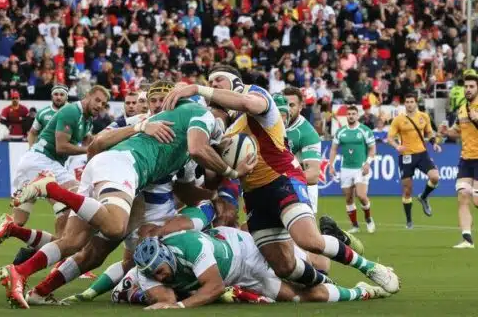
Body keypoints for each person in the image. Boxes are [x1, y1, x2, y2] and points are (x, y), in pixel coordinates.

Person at [161, 64, 399, 295]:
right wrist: (221, 165)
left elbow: (246, 103)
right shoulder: (221, 127)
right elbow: (213, 181)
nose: (212, 86)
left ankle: (372, 268)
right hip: (254, 195)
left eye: (217, 81)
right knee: (284, 266)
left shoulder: (255, 93)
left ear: (234, 83)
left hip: (282, 180)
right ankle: (328, 283)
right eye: (209, 83)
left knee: (309, 241)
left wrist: (197, 88)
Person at [1, 89, 240, 309]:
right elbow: (98, 143)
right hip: (120, 171)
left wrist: (215, 195)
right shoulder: (177, 118)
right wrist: (232, 173)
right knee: (115, 227)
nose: (157, 104)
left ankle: (26, 280)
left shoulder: (184, 144)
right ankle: (52, 188)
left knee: (79, 246)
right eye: (153, 99)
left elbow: (186, 188)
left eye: (161, 99)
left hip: (124, 188)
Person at [0, 86, 107, 281]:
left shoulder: (87, 119)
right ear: (87, 96)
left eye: (104, 103)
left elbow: (92, 140)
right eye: (97, 100)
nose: (100, 105)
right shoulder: (71, 111)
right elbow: (61, 146)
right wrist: (89, 150)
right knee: (75, 202)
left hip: (36, 164)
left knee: (18, 223)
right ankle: (55, 260)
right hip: (43, 163)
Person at [129, 228, 389, 310]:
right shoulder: (146, 269)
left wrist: (181, 307)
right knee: (300, 296)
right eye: (153, 275)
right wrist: (166, 303)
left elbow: (214, 287)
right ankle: (362, 292)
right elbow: (165, 300)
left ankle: (334, 240)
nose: (158, 277)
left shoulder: (191, 245)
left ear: (168, 256)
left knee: (315, 266)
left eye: (161, 271)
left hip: (249, 250)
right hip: (242, 274)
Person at [387, 93, 442, 229]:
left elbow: (429, 133)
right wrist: (396, 146)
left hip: (422, 153)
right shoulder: (398, 120)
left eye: (412, 101)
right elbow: (390, 137)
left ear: (416, 103)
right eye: (407, 102)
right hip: (406, 155)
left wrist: (434, 143)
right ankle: (409, 221)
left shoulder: (424, 116)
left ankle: (423, 197)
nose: (410, 104)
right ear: (404, 104)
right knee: (407, 190)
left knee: (435, 177)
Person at [439, 74, 478, 248]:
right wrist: (446, 132)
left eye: (472, 86)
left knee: (476, 201)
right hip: (466, 159)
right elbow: (457, 131)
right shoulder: (462, 109)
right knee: (463, 196)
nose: (468, 89)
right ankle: (467, 239)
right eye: (466, 87)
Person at [328, 106, 377, 233]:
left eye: (353, 114)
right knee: (349, 198)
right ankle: (355, 225)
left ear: (357, 115)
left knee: (361, 195)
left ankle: (368, 219)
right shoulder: (341, 132)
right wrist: (331, 165)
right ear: (346, 116)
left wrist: (367, 163)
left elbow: (372, 149)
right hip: (345, 169)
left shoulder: (365, 130)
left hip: (360, 168)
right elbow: (334, 149)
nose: (351, 116)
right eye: (349, 114)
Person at [281, 87, 322, 213]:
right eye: (283, 104)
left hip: (300, 189)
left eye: (291, 105)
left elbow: (313, 174)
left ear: (300, 107)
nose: (287, 109)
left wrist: (279, 180)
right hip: (275, 186)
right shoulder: (269, 125)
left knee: (300, 232)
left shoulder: (307, 133)